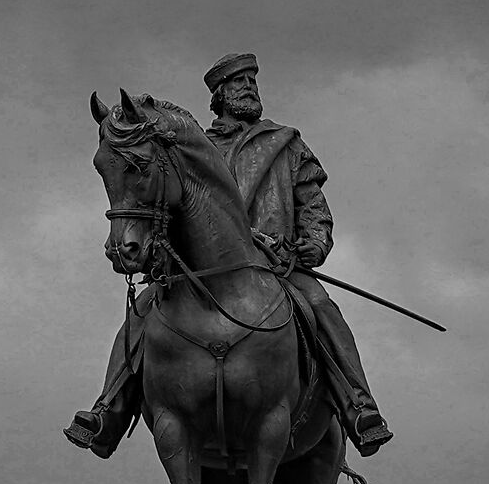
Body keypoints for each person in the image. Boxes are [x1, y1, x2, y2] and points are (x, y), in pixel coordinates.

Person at [67, 51, 391, 460]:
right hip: (199, 271)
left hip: (277, 265)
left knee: (322, 307)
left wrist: (311, 244)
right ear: (218, 95)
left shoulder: (286, 143)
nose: (249, 89)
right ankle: (108, 411)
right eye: (238, 83)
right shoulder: (190, 146)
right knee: (142, 312)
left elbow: (312, 203)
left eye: (252, 81)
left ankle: (359, 406)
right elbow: (166, 208)